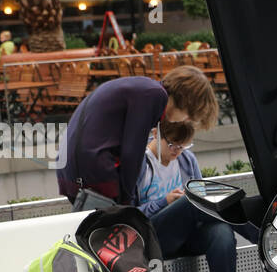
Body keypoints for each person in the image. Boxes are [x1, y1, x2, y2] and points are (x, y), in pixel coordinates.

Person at [57, 64, 220, 206]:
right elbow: (132, 153)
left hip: (71, 166)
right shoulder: (154, 97)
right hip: (94, 165)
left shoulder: (146, 88)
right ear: (186, 102)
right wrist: (128, 202)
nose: (184, 121)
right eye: (189, 116)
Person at [135, 120, 251, 272]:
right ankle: (260, 236)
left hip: (187, 233)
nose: (177, 151)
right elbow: (131, 215)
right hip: (154, 237)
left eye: (183, 146)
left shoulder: (186, 159)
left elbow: (205, 204)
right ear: (156, 134)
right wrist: (164, 202)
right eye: (173, 145)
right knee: (191, 201)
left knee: (222, 232)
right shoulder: (140, 164)